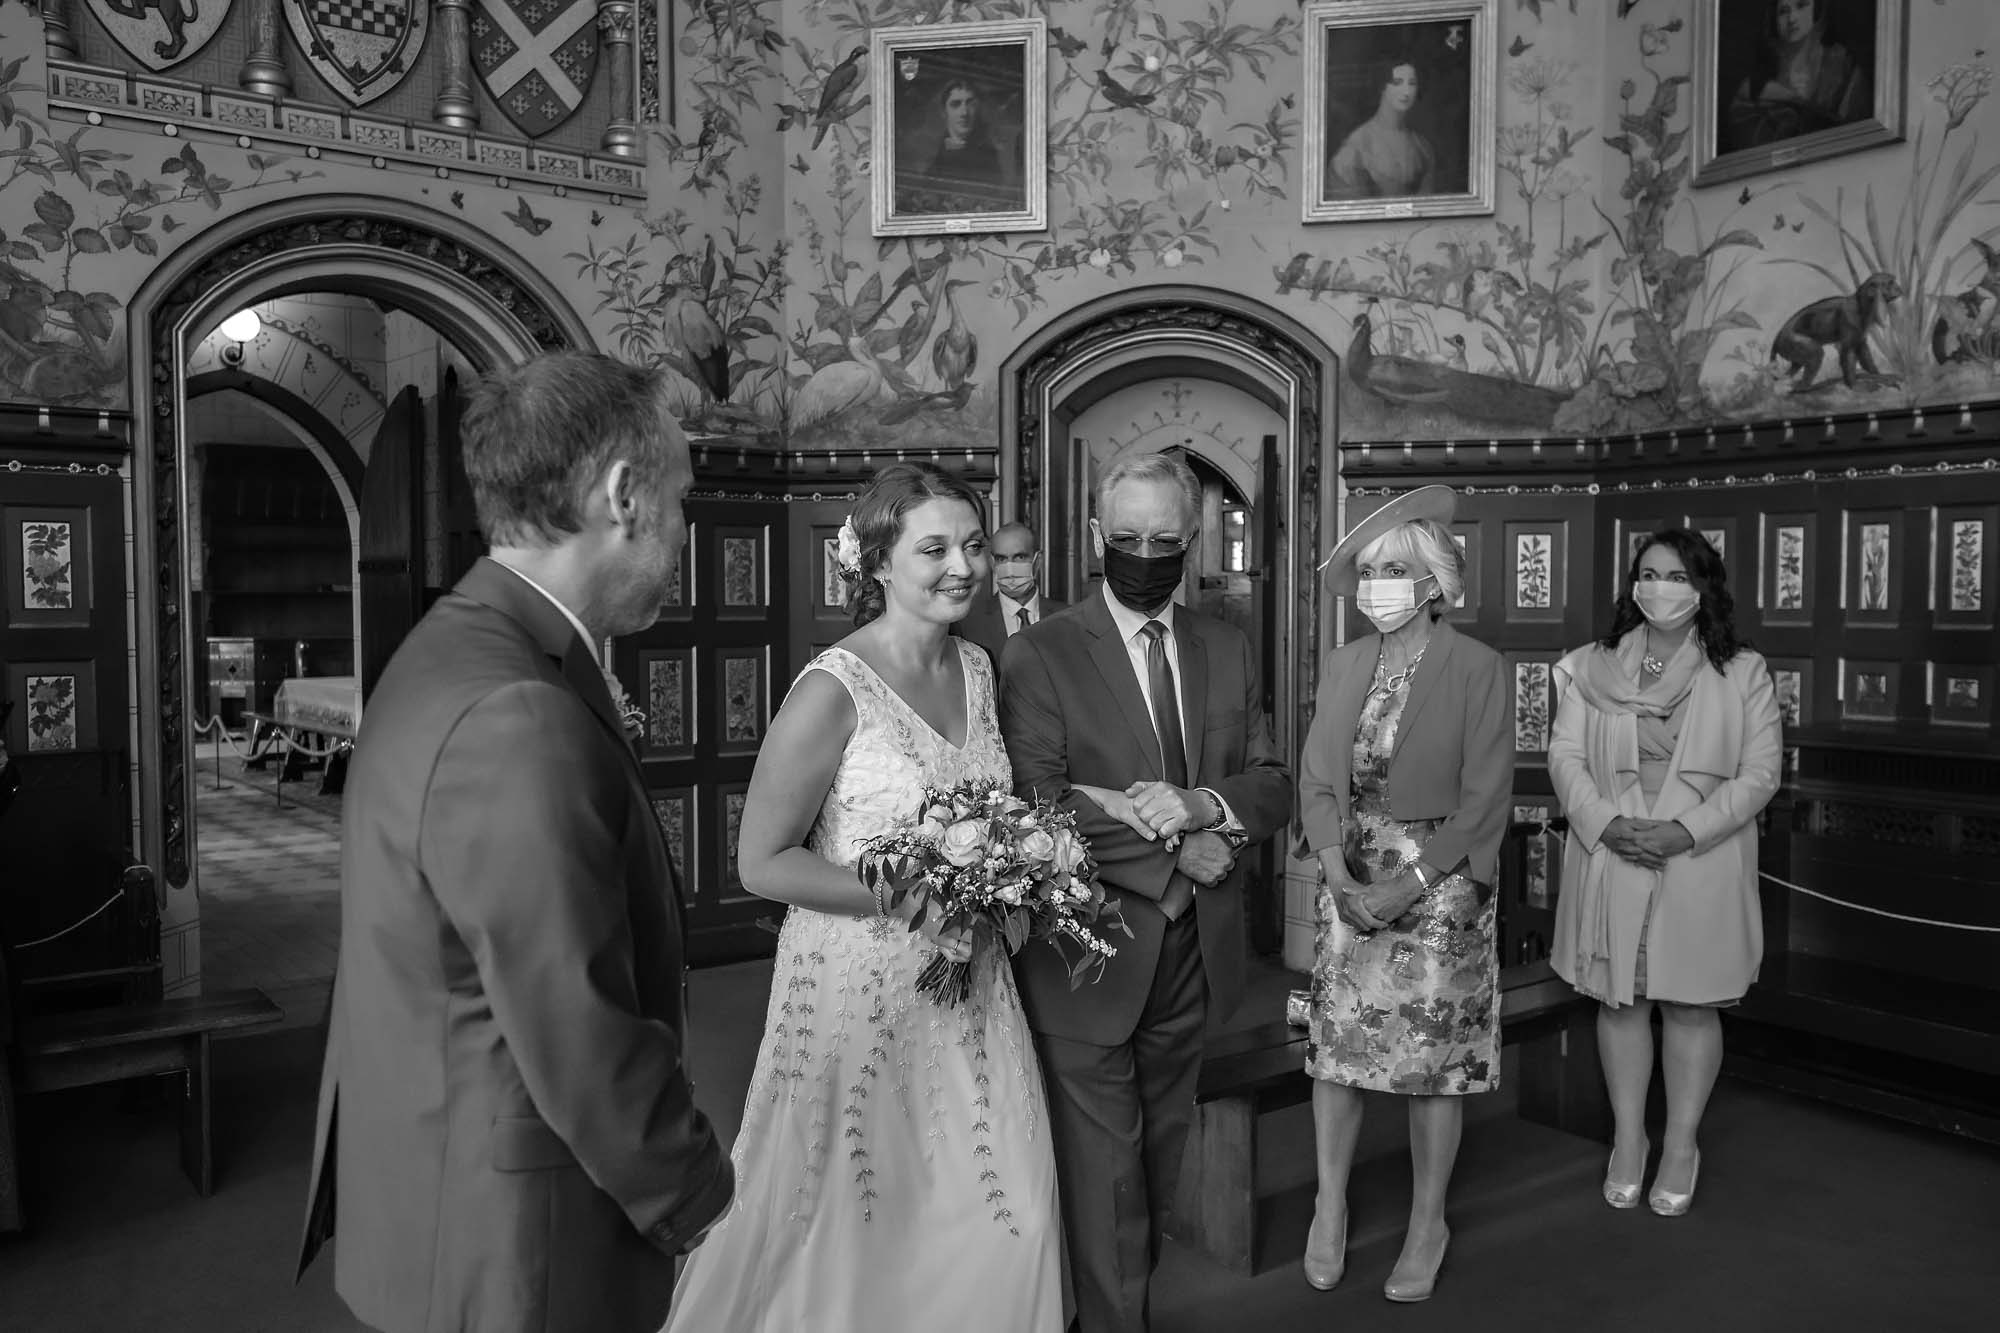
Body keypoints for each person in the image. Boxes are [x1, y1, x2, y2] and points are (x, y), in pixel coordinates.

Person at [297, 353, 733, 1333]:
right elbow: (576, 1021)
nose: (681, 536)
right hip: (519, 1236)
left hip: (435, 1172)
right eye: (680, 501)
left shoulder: (455, 639)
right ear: (623, 495)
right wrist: (697, 1192)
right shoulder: (516, 710)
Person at [664, 461, 1064, 1331]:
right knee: (861, 1216)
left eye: (972, 545)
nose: (963, 565)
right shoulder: (830, 689)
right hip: (857, 987)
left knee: (1006, 1211)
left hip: (974, 988)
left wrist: (1018, 879)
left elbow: (993, 816)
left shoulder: (981, 669)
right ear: (878, 562)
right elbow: (762, 862)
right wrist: (910, 894)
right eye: (935, 548)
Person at [999, 451, 1293, 1333]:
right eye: (1125, 537)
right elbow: (1035, 804)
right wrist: (1177, 858)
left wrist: (1209, 807)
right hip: (1088, 959)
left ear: (1194, 541)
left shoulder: (1228, 645)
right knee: (1106, 1174)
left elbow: (1272, 780)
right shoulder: (1039, 652)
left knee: (1158, 1169)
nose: (1144, 551)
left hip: (1196, 960)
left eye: (1164, 538)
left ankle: (1112, 1305)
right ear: (1095, 536)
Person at [1295, 484, 1510, 1304]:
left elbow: (1486, 800)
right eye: (1367, 570)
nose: (1375, 583)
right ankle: (1329, 1204)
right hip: (1350, 878)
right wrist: (1337, 871)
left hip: (1441, 886)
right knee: (1338, 1056)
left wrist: (1409, 885)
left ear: (1431, 581)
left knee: (1432, 1062)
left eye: (1392, 568)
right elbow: (1318, 779)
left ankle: (1428, 1221)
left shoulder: (1478, 667)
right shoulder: (1346, 663)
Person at [1547, 529, 1782, 1218]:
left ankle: (1680, 1143)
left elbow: (1762, 772)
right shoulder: (1594, 666)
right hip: (1614, 851)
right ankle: (1628, 1139)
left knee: (1688, 1001)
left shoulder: (1741, 670)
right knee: (1621, 997)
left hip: (1697, 858)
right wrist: (1605, 823)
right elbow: (1564, 756)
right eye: (1647, 574)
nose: (1659, 587)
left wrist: (1685, 830)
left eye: (1675, 575)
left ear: (1703, 585)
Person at [1726, 0, 1871, 151]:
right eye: (1783, 11)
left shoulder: (1842, 66)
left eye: (1801, 5)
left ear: (1816, 9)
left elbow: (1857, 133)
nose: (1791, 19)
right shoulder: (1755, 83)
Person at [1325, 54, 1437, 200]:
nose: (1406, 91)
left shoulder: (1422, 146)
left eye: (1412, 83)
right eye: (1397, 82)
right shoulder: (1356, 146)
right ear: (1382, 86)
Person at [958, 520, 1070, 663]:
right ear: (992, 564)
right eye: (1001, 559)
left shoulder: (1066, 619)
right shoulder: (968, 623)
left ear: (1037, 561)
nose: (1009, 568)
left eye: (1020, 557)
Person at [900, 78, 1016, 211]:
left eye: (971, 104)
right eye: (956, 104)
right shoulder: (929, 153)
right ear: (944, 112)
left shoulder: (990, 155)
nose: (964, 113)